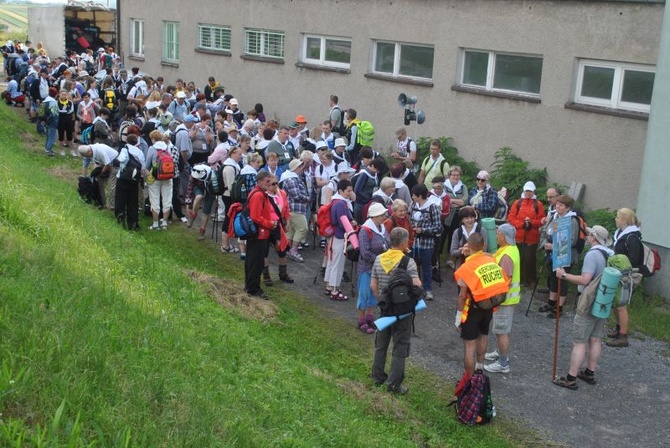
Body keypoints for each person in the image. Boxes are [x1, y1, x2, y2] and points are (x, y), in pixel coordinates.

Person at [553, 225, 615, 389]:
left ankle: (570, 377)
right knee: (596, 339)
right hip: (603, 302)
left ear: (594, 238)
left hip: (589, 301)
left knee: (579, 342)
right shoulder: (611, 254)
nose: (587, 237)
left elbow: (585, 280)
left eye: (589, 235)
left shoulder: (592, 255)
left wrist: (564, 275)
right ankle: (589, 372)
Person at [371, 227, 421, 394]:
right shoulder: (408, 262)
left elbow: (373, 285)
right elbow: (417, 284)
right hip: (403, 312)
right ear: (405, 243)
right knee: (400, 347)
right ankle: (394, 384)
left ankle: (377, 376)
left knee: (381, 345)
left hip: (385, 310)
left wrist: (382, 301)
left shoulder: (379, 259)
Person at [454, 233, 509, 376]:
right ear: (483, 246)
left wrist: (459, 316)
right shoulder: (491, 260)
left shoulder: (466, 268)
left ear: (468, 246)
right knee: (483, 336)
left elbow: (462, 296)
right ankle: (480, 367)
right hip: (488, 306)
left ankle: (469, 379)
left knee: (469, 345)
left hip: (472, 309)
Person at [484, 224, 520, 373]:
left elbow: (505, 280)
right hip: (506, 299)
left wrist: (493, 298)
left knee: (501, 330)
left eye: (498, 233)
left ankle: (503, 363)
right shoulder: (509, 249)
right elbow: (493, 258)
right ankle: (499, 352)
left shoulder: (506, 256)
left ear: (504, 237)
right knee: (501, 329)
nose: (496, 235)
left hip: (503, 300)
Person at [607, 208, 645, 348]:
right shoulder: (621, 234)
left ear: (624, 220)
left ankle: (623, 336)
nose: (615, 219)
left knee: (622, 305)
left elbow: (634, 259)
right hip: (618, 273)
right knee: (616, 303)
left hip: (626, 276)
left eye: (617, 217)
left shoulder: (632, 237)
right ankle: (618, 329)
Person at [539, 194, 580, 319]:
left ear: (568, 208)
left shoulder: (572, 221)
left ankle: (559, 307)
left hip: (565, 256)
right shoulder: (554, 217)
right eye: (557, 204)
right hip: (552, 254)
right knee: (553, 278)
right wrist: (545, 243)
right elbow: (546, 231)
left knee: (561, 280)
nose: (557, 206)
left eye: (561, 205)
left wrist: (554, 246)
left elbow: (572, 241)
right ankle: (551, 302)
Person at [357, 203, 391, 334]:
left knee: (374, 293)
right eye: (382, 215)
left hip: (378, 268)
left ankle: (369, 317)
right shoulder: (365, 230)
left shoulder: (381, 227)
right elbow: (365, 253)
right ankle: (361, 319)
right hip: (366, 268)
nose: (385, 216)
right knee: (364, 293)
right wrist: (381, 260)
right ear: (375, 216)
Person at [245, 170, 277, 299]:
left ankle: (250, 286)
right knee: (256, 262)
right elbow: (255, 216)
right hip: (259, 233)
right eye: (267, 181)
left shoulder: (258, 193)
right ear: (260, 182)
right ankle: (253, 289)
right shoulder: (259, 195)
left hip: (258, 232)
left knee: (252, 261)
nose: (270, 184)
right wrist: (270, 224)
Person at [507, 181, 546, 286]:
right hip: (519, 236)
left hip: (532, 237)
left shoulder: (538, 204)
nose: (528, 193)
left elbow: (542, 220)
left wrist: (531, 223)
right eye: (527, 191)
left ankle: (530, 280)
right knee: (519, 258)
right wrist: (522, 224)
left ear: (533, 192)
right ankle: (518, 278)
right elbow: (511, 218)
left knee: (530, 259)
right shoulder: (517, 203)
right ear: (524, 191)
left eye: (530, 191)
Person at [324, 179, 356, 301]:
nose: (350, 193)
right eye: (348, 190)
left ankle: (329, 286)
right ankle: (334, 290)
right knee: (338, 263)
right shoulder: (342, 204)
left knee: (331, 262)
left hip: (333, 236)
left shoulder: (334, 201)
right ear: (341, 190)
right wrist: (351, 224)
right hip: (339, 236)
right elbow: (343, 222)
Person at [409, 184, 442, 300]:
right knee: (413, 266)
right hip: (414, 241)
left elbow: (438, 227)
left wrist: (422, 230)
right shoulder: (413, 205)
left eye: (414, 195)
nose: (412, 197)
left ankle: (428, 289)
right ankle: (415, 288)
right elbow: (410, 219)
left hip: (427, 242)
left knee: (426, 266)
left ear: (419, 196)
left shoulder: (432, 207)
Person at [263, 175, 294, 285]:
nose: (275, 186)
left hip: (278, 226)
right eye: (273, 184)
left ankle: (283, 274)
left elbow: (286, 208)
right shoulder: (263, 196)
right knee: (265, 252)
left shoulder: (282, 194)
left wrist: (287, 222)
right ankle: (266, 276)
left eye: (277, 183)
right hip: (266, 226)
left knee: (282, 250)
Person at [280, 159, 310, 263]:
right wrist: (308, 198)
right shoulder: (291, 179)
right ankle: (293, 250)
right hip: (295, 208)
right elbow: (297, 195)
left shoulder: (291, 178)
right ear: (296, 168)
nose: (302, 168)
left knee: (291, 231)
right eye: (301, 166)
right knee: (302, 228)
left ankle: (287, 250)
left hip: (292, 208)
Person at [114, 133, 145, 231]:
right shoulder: (140, 152)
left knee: (120, 198)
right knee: (133, 202)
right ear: (136, 142)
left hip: (122, 177)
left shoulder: (124, 149)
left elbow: (121, 159)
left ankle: (120, 216)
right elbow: (143, 166)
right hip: (134, 179)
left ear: (127, 141)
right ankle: (133, 223)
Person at [144, 134, 173, 230]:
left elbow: (147, 165)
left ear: (153, 139)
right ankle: (164, 223)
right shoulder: (167, 147)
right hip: (168, 177)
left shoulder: (152, 149)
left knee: (154, 200)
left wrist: (147, 175)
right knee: (167, 200)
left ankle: (155, 224)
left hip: (155, 178)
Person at [78, 143, 119, 209]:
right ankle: (102, 203)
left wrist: (100, 173)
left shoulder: (100, 151)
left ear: (89, 152)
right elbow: (86, 164)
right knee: (98, 182)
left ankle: (112, 205)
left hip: (114, 163)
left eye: (87, 155)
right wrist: (84, 177)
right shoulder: (88, 150)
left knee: (112, 185)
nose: (87, 157)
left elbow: (108, 164)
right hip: (103, 163)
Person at [444, 166, 468, 267]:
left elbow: (464, 201)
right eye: (454, 174)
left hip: (457, 215)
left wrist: (451, 200)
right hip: (445, 215)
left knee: (453, 237)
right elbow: (443, 199)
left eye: (458, 175)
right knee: (442, 237)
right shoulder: (444, 185)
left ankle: (450, 259)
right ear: (449, 175)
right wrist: (456, 201)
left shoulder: (463, 187)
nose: (456, 177)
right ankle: (437, 258)